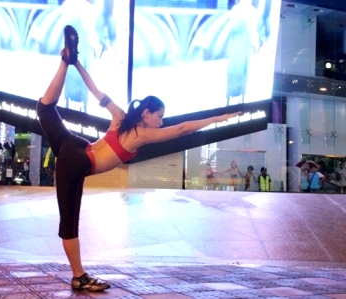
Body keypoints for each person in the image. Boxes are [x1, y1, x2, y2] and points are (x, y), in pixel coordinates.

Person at [36, 25, 241, 292]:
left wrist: (76, 64)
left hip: (75, 146)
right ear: (146, 113)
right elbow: (182, 129)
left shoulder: (120, 116)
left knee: (44, 107)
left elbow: (95, 89)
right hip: (76, 162)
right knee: (69, 223)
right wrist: (217, 118)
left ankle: (64, 60)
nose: (162, 121)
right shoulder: (140, 135)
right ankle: (78, 276)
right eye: (159, 116)